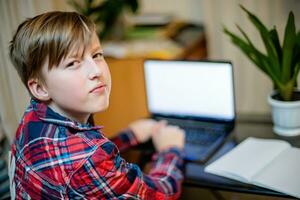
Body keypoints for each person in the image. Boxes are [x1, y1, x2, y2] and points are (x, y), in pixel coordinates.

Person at [9, 11, 185, 199]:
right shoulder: (86, 159)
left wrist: (129, 136)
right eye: (73, 63)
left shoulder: (33, 117)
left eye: (97, 54)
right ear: (40, 88)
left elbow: (85, 162)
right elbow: (157, 195)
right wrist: (170, 150)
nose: (96, 70)